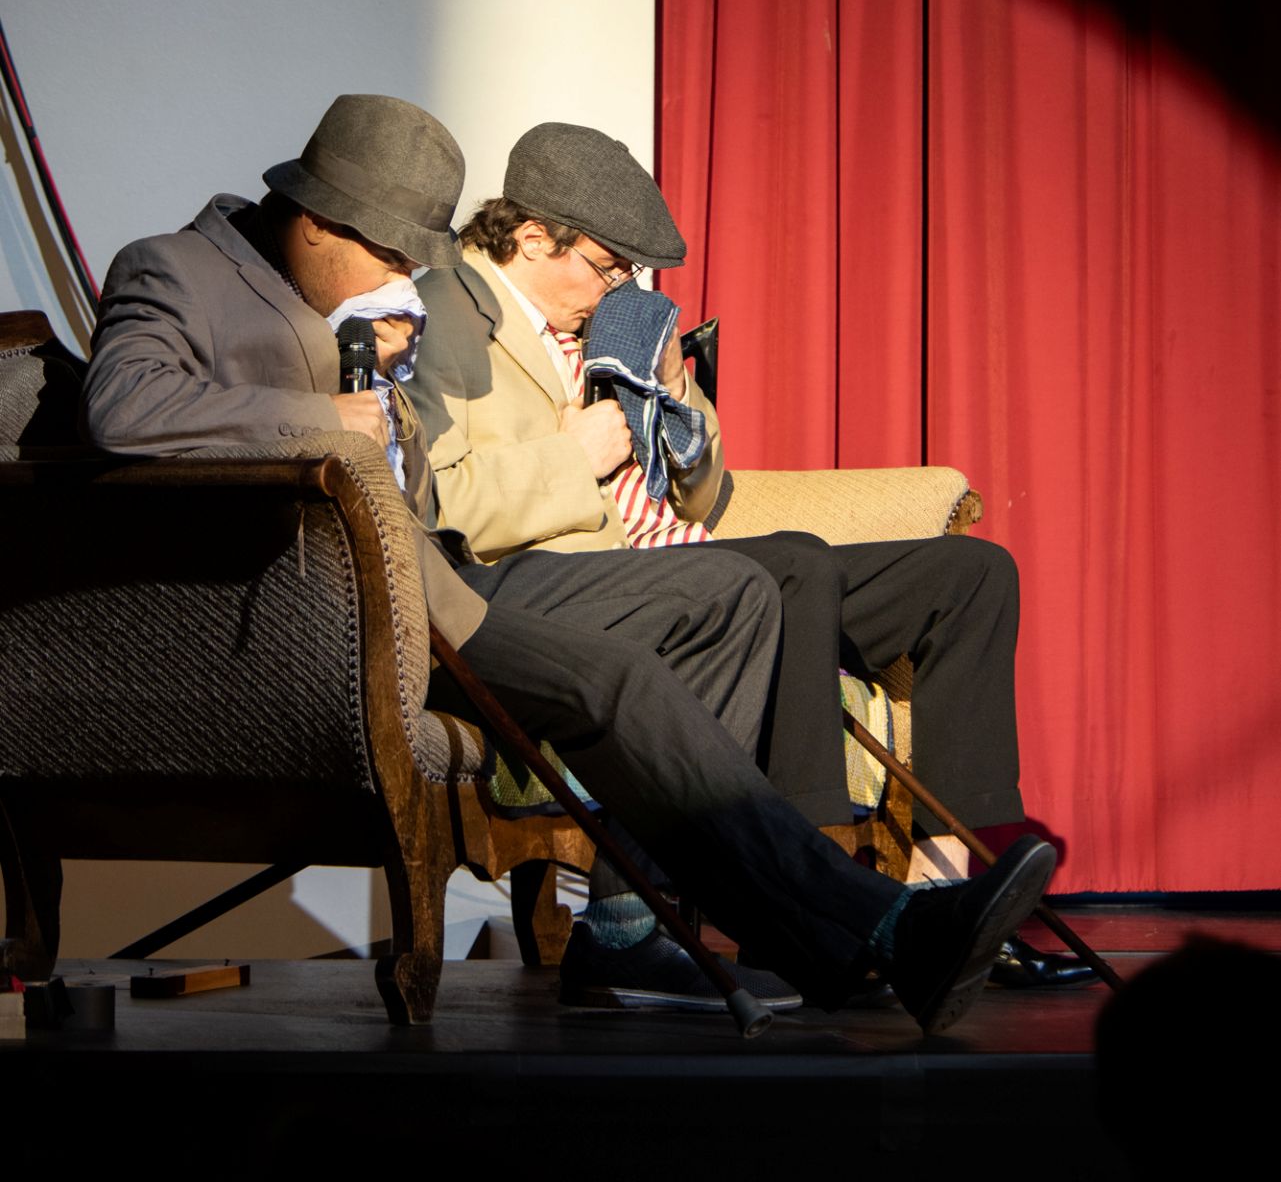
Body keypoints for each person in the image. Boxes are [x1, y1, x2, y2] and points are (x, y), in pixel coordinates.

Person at [81, 92, 1057, 1031]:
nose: (403, 277)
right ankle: (881, 932)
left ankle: (814, 933)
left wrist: (406, 402)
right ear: (319, 221)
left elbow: (407, 476)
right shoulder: (176, 269)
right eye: (391, 254)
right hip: (340, 615)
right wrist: (329, 415)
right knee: (710, 611)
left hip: (431, 596)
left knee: (649, 660)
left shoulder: (348, 297)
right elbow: (123, 408)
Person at [408, 119, 1090, 991]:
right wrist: (571, 456)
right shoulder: (443, 315)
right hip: (576, 580)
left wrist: (677, 399)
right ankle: (819, 904)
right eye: (609, 266)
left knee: (968, 575)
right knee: (791, 564)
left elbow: (700, 497)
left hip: (683, 551)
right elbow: (437, 507)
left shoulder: (607, 321)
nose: (620, 288)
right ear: (535, 237)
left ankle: (944, 881)